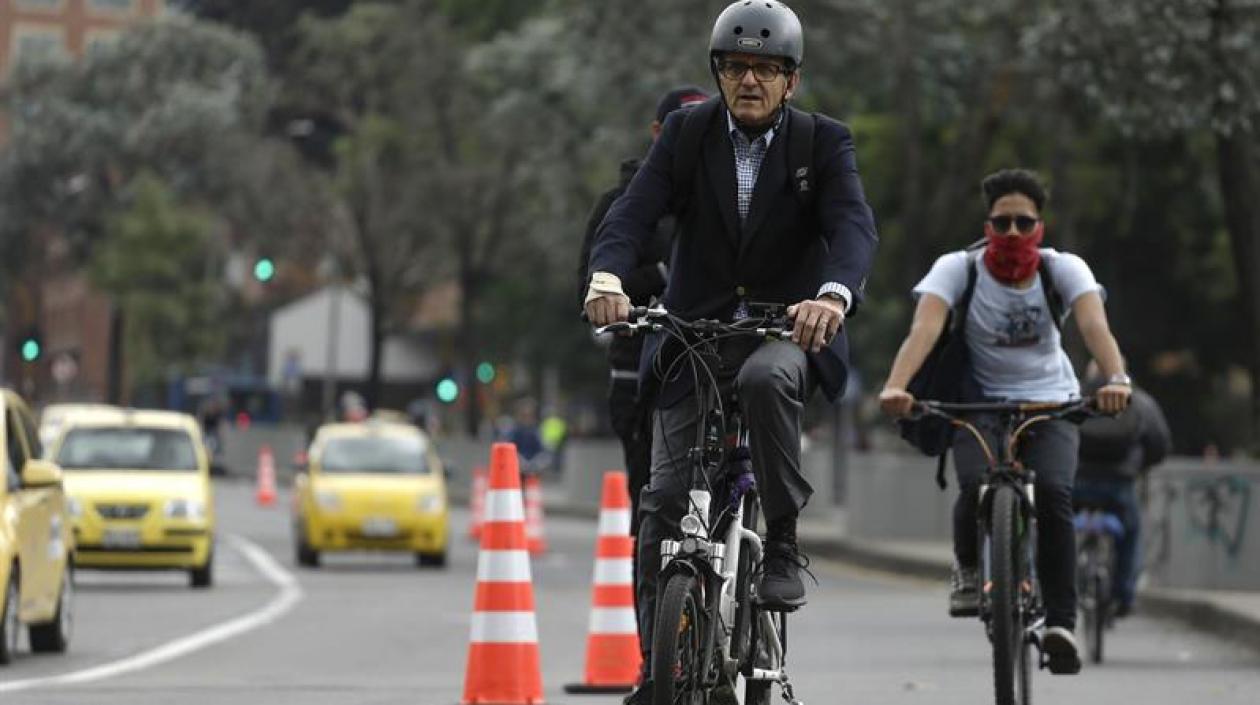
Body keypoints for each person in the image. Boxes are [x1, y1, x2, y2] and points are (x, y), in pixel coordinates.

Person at [584, 2, 878, 700]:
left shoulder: (823, 143)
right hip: (695, 332)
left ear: (791, 80)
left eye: (767, 69)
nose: (750, 80)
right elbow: (633, 213)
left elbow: (853, 227)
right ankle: (657, 668)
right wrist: (607, 274)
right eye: (736, 66)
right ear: (717, 74)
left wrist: (832, 296)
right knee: (660, 503)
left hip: (786, 332)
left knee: (769, 378)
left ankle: (780, 540)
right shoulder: (686, 135)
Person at [879, 168, 1131, 675]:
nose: (1012, 233)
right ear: (987, 225)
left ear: (1040, 225)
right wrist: (896, 385)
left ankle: (1061, 623)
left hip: (1052, 403)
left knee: (1057, 494)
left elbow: (1093, 326)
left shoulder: (1063, 270)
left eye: (1023, 222)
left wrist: (1117, 379)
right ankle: (971, 569)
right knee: (974, 484)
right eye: (1002, 223)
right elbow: (923, 330)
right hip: (980, 403)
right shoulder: (958, 268)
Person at [577, 85, 709, 526]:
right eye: (681, 126)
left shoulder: (724, 194)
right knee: (651, 498)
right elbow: (591, 283)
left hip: (710, 364)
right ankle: (652, 588)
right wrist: (661, 276)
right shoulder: (624, 202)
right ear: (659, 132)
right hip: (638, 367)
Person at [1074, 360, 1171, 617]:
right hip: (1119, 483)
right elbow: (1159, 443)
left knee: (1054, 523)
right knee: (1132, 531)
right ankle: (1124, 594)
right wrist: (1138, 467)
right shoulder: (1140, 401)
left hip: (1077, 482)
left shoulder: (1072, 395)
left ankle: (1051, 586)